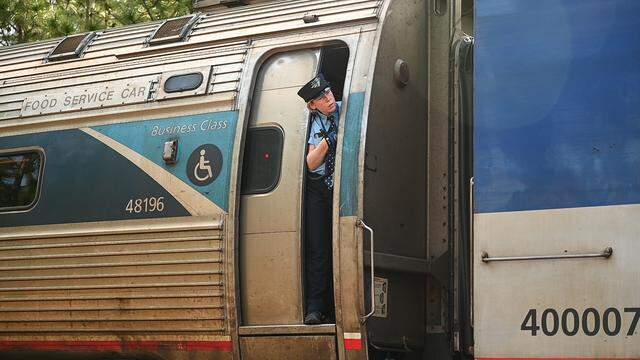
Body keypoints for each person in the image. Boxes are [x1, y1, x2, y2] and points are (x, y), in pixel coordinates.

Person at [297, 74, 341, 325]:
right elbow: (311, 164)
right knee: (318, 249)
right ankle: (316, 306)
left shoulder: (345, 109)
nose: (328, 99)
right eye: (321, 98)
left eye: (328, 92)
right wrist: (327, 142)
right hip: (318, 190)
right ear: (312, 105)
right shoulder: (312, 125)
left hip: (339, 186)